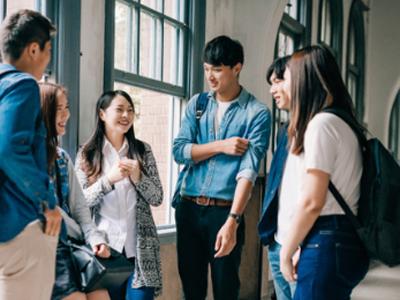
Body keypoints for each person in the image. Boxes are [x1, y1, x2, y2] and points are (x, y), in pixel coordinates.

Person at [172, 35, 271, 300]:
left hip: (224, 211)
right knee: (191, 290)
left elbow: (248, 172)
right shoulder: (198, 104)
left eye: (217, 69)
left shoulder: (256, 113)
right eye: (206, 69)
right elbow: (179, 151)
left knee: (226, 290)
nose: (210, 76)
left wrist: (233, 221)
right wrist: (221, 145)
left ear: (236, 68)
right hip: (188, 208)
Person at [279, 45, 369, 299]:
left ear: (303, 82)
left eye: (286, 79)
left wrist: (287, 250)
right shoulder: (343, 122)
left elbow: (312, 201)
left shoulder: (321, 124)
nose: (284, 87)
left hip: (328, 237)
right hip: (339, 237)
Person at [75, 90, 163, 299]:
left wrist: (138, 176)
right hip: (103, 254)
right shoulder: (86, 154)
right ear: (102, 114)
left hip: (140, 255)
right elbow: (79, 204)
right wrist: (108, 180)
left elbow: (157, 197)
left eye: (130, 110)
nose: (126, 115)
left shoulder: (143, 151)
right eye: (120, 109)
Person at [0, 9, 62, 300]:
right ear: (33, 49)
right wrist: (47, 200)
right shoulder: (22, 85)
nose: (48, 59)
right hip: (19, 226)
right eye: (48, 50)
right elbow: (9, 148)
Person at [39, 82, 111, 300]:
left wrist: (94, 238)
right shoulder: (23, 160)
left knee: (101, 295)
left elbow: (81, 211)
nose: (66, 115)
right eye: (58, 109)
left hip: (73, 248)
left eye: (66, 107)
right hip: (45, 251)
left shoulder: (62, 158)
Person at [257, 56, 296, 300]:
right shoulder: (286, 129)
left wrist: (299, 244)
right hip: (278, 239)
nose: (272, 89)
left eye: (278, 81)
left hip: (299, 244)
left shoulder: (319, 127)